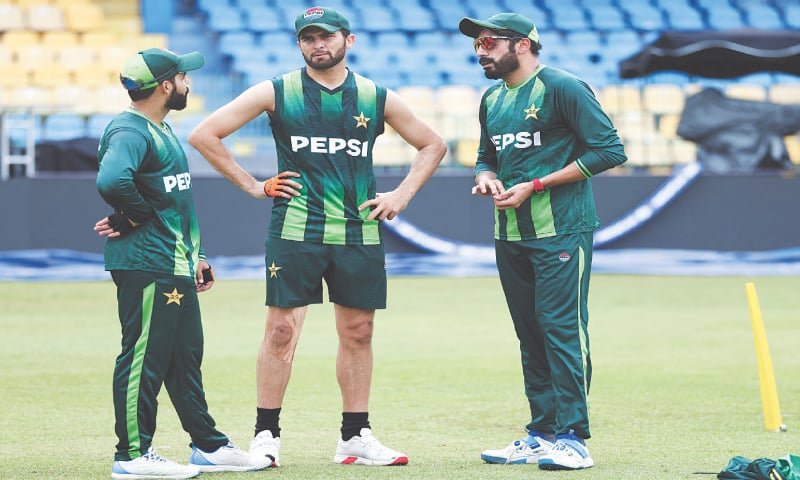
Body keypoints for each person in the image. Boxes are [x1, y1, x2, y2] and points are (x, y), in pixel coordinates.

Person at [188, 5, 447, 468]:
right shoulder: (277, 90)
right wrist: (253, 184)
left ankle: (355, 436)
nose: (317, 44)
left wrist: (402, 195)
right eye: (308, 38)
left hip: (358, 230)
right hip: (294, 230)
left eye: (326, 36)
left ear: (349, 40)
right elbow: (205, 134)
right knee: (282, 330)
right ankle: (266, 434)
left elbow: (433, 144)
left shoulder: (374, 95)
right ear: (299, 44)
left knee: (359, 332)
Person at [94, 48, 274, 479]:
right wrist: (136, 215)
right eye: (183, 77)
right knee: (145, 356)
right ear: (165, 86)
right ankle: (132, 455)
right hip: (148, 262)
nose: (189, 83)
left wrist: (199, 255)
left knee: (184, 355)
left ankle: (208, 446)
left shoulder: (161, 128)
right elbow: (110, 180)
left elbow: (175, 202)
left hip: (174, 263)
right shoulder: (130, 131)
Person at [458, 13, 627, 471]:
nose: (481, 51)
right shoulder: (492, 97)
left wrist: (535, 185)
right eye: (477, 44)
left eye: (490, 42)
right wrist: (486, 178)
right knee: (530, 335)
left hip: (563, 230)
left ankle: (574, 438)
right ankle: (542, 433)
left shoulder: (564, 87)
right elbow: (484, 157)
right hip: (510, 234)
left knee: (562, 330)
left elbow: (610, 150)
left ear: (523, 45)